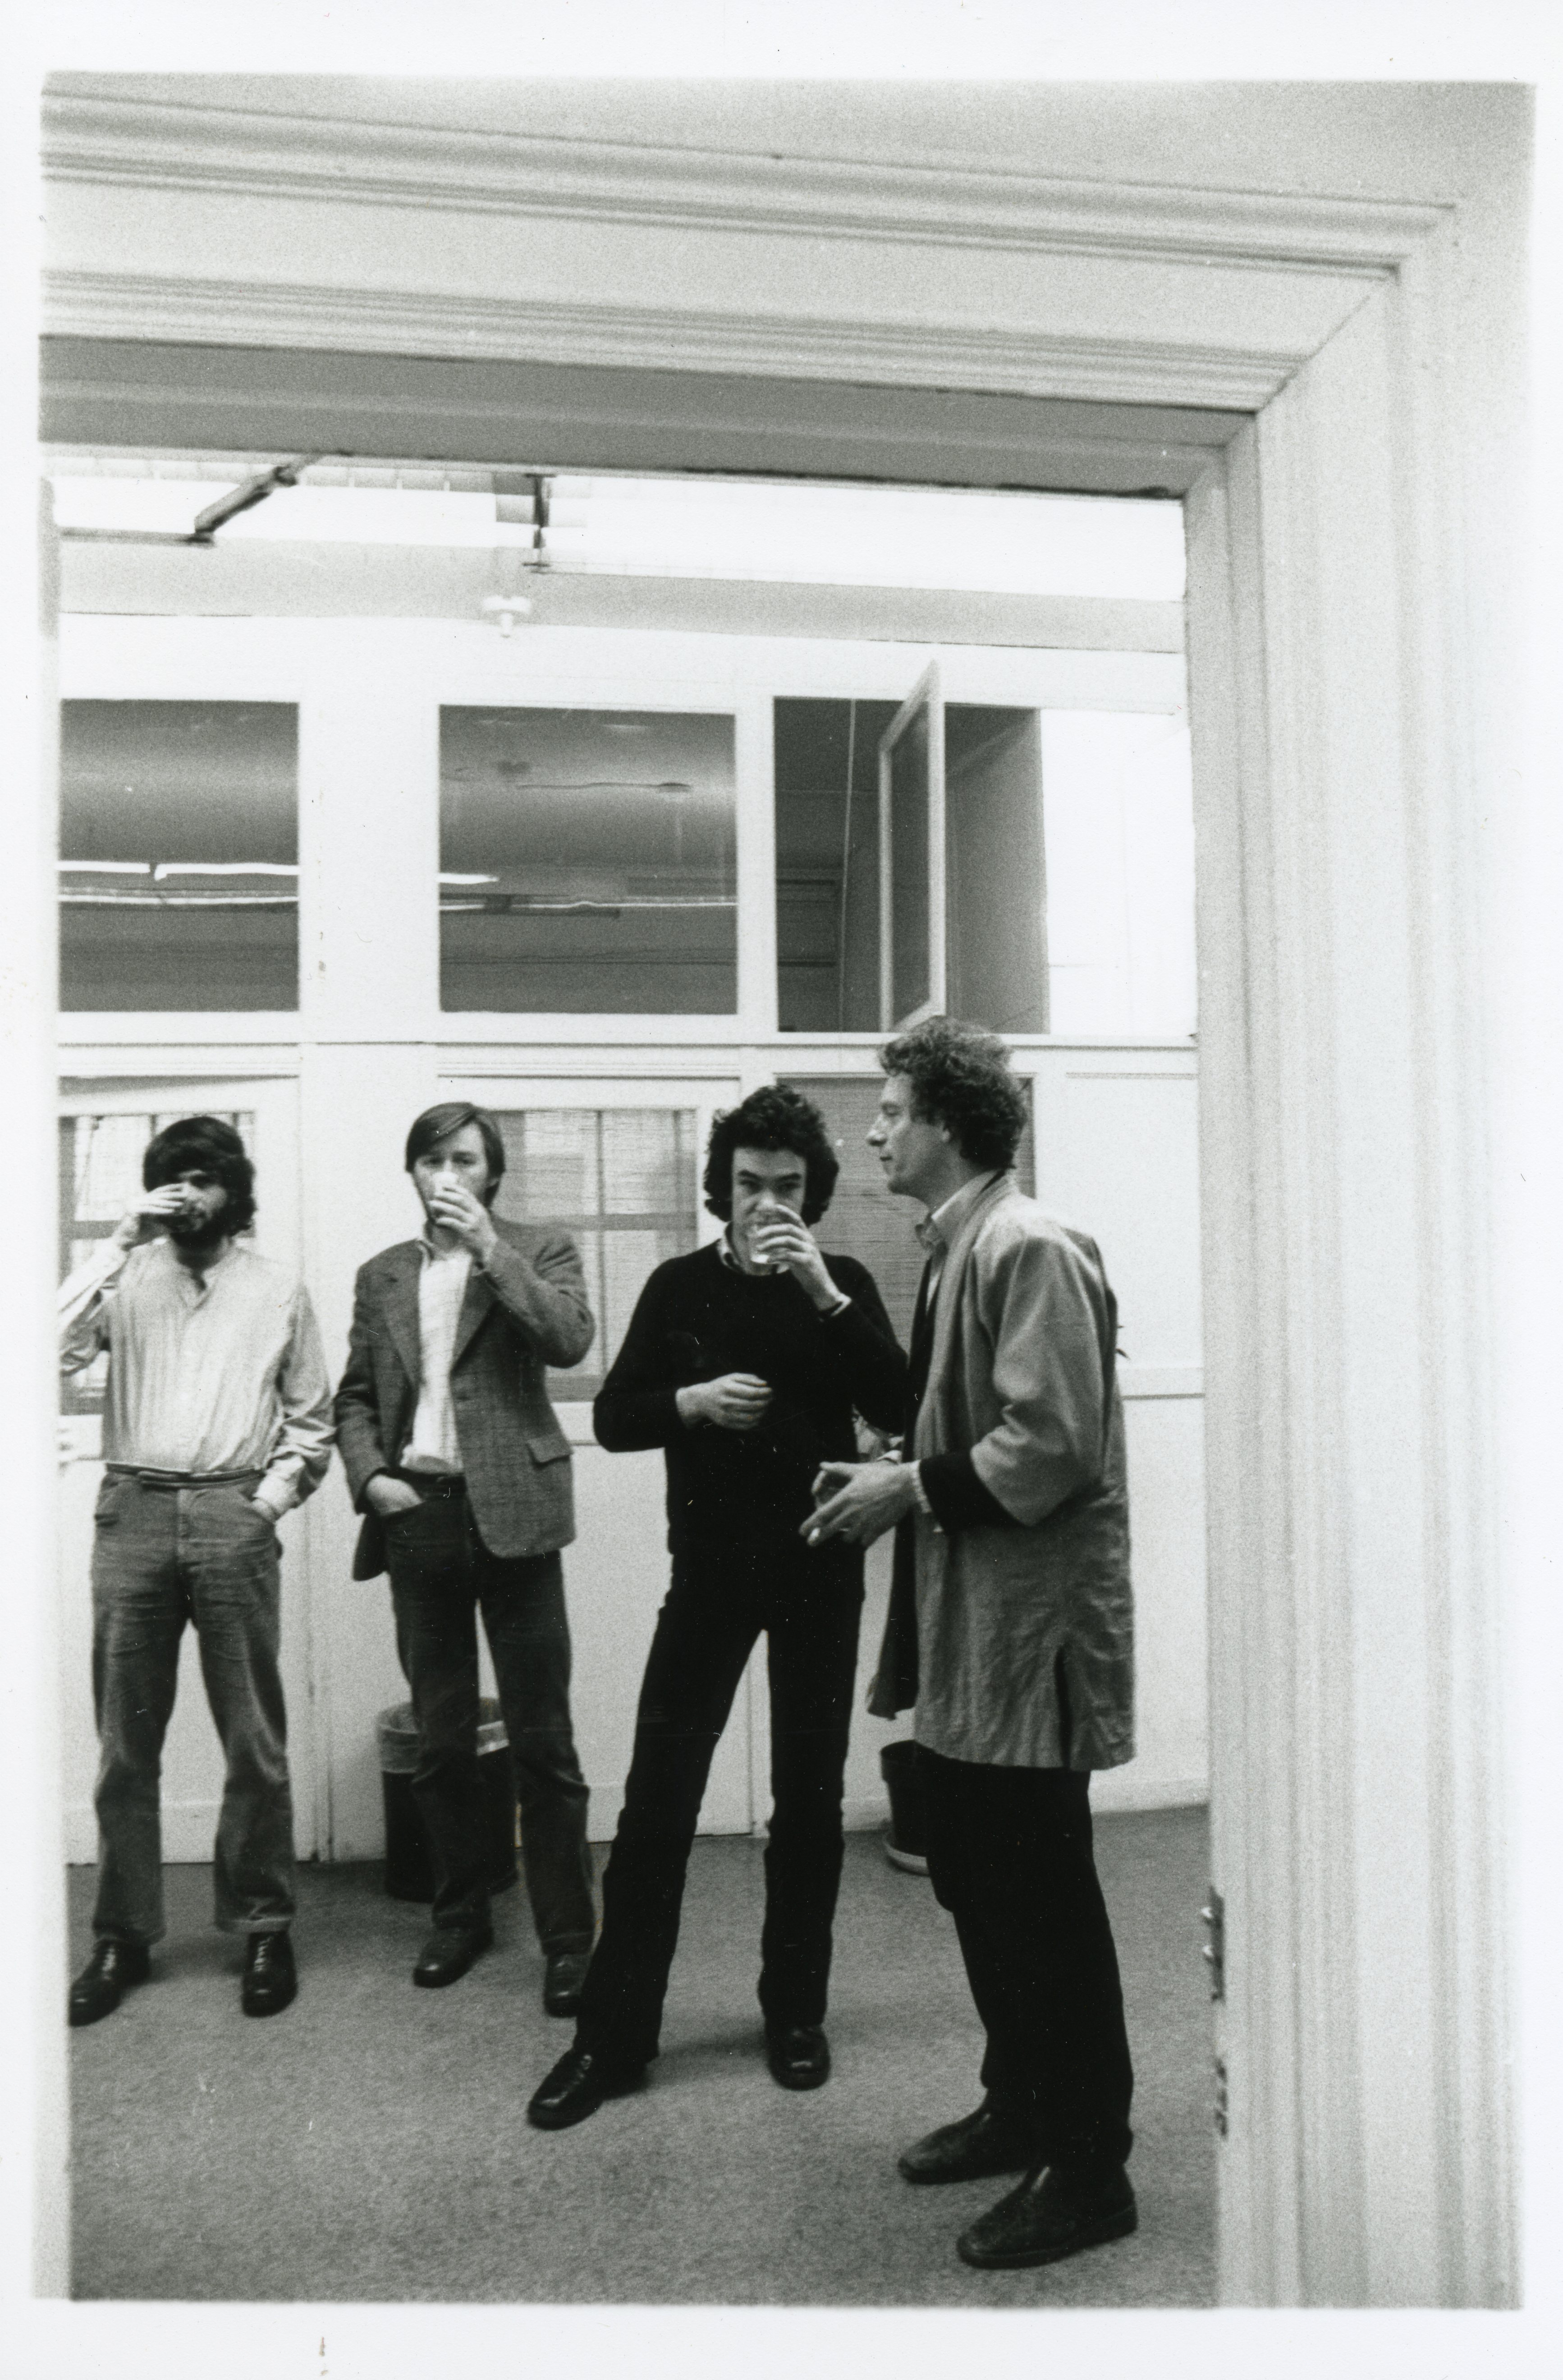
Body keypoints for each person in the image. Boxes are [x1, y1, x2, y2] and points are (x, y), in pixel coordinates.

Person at [807, 1018, 1137, 2272]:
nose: (876, 1130)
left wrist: (911, 1490)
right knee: (983, 1886)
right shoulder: (958, 1247)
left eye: (890, 1110)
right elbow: (973, 1424)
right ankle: (1023, 2107)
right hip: (972, 1631)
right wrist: (896, 1467)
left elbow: (1051, 1445)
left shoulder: (1029, 1245)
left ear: (948, 1121)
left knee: (1040, 1900)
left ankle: (1089, 2167)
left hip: (1027, 1638)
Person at [527, 1084, 906, 2129]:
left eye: (786, 1187)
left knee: (808, 1805)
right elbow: (613, 1415)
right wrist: (688, 1404)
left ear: (811, 1192)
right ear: (721, 1189)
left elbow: (905, 1405)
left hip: (821, 1569)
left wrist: (825, 1292)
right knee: (657, 1805)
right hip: (708, 1577)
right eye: (748, 1185)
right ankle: (612, 2037)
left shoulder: (847, 1284)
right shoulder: (677, 1287)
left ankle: (795, 2015)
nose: (765, 1203)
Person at [60, 1115, 334, 2026]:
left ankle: (263, 1926)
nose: (190, 1194)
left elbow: (311, 1417)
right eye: (174, 1177)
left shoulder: (278, 1288)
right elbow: (41, 1355)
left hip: (231, 1511)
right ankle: (123, 1937)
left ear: (234, 1192)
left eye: (205, 1178)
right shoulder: (126, 1278)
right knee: (123, 1745)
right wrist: (116, 1243)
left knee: (253, 1735)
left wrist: (271, 1499)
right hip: (133, 1510)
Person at [334, 1102, 598, 2013]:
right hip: (421, 1517)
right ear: (411, 1172)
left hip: (518, 1515)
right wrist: (372, 1479)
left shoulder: (541, 1247)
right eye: (432, 1160)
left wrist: (491, 1247)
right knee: (440, 1744)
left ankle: (569, 1940)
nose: (447, 1174)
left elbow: (568, 1339)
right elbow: (356, 1397)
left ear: (492, 1174)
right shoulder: (382, 1277)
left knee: (543, 1742)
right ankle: (462, 1912)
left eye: (466, 1160)